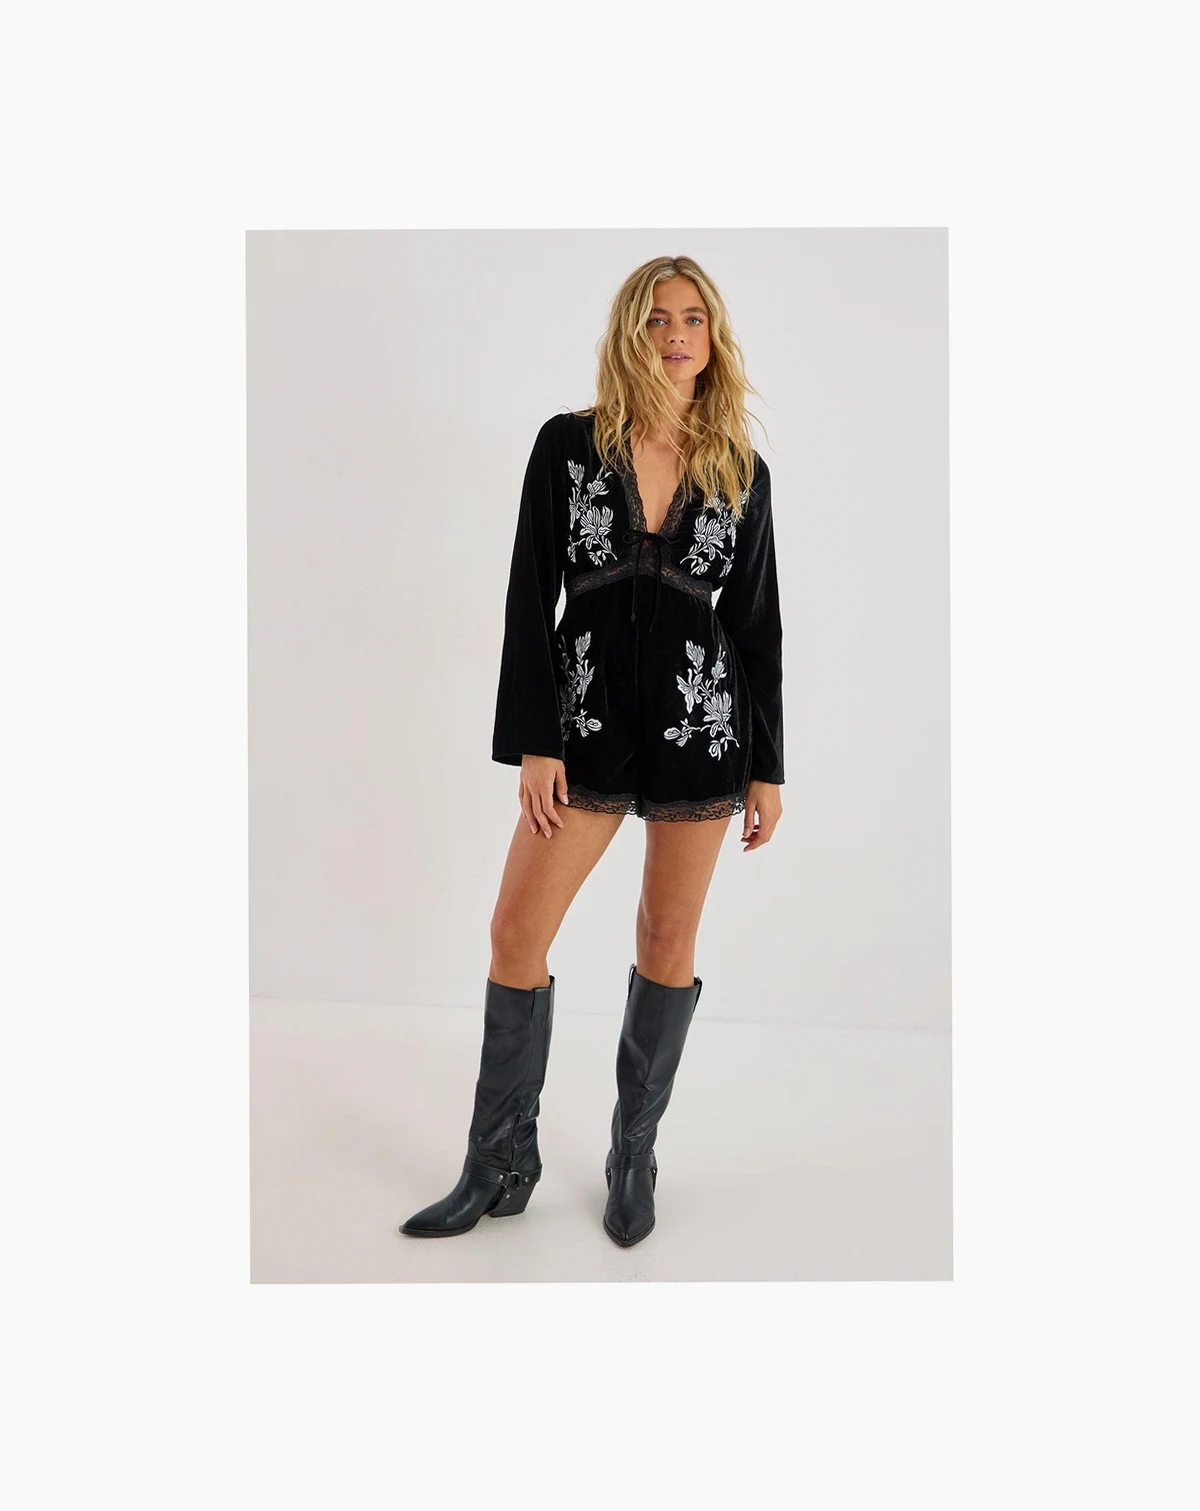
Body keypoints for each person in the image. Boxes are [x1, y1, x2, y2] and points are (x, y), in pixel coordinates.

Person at [400, 254, 784, 1248]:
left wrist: (767, 765)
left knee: (667, 940)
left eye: (693, 318)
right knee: (515, 933)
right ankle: (499, 1161)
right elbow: (530, 594)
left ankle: (633, 1153)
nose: (676, 334)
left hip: (703, 733)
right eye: (657, 317)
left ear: (714, 338)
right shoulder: (569, 446)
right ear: (630, 331)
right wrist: (535, 740)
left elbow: (757, 625)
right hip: (584, 731)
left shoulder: (740, 470)